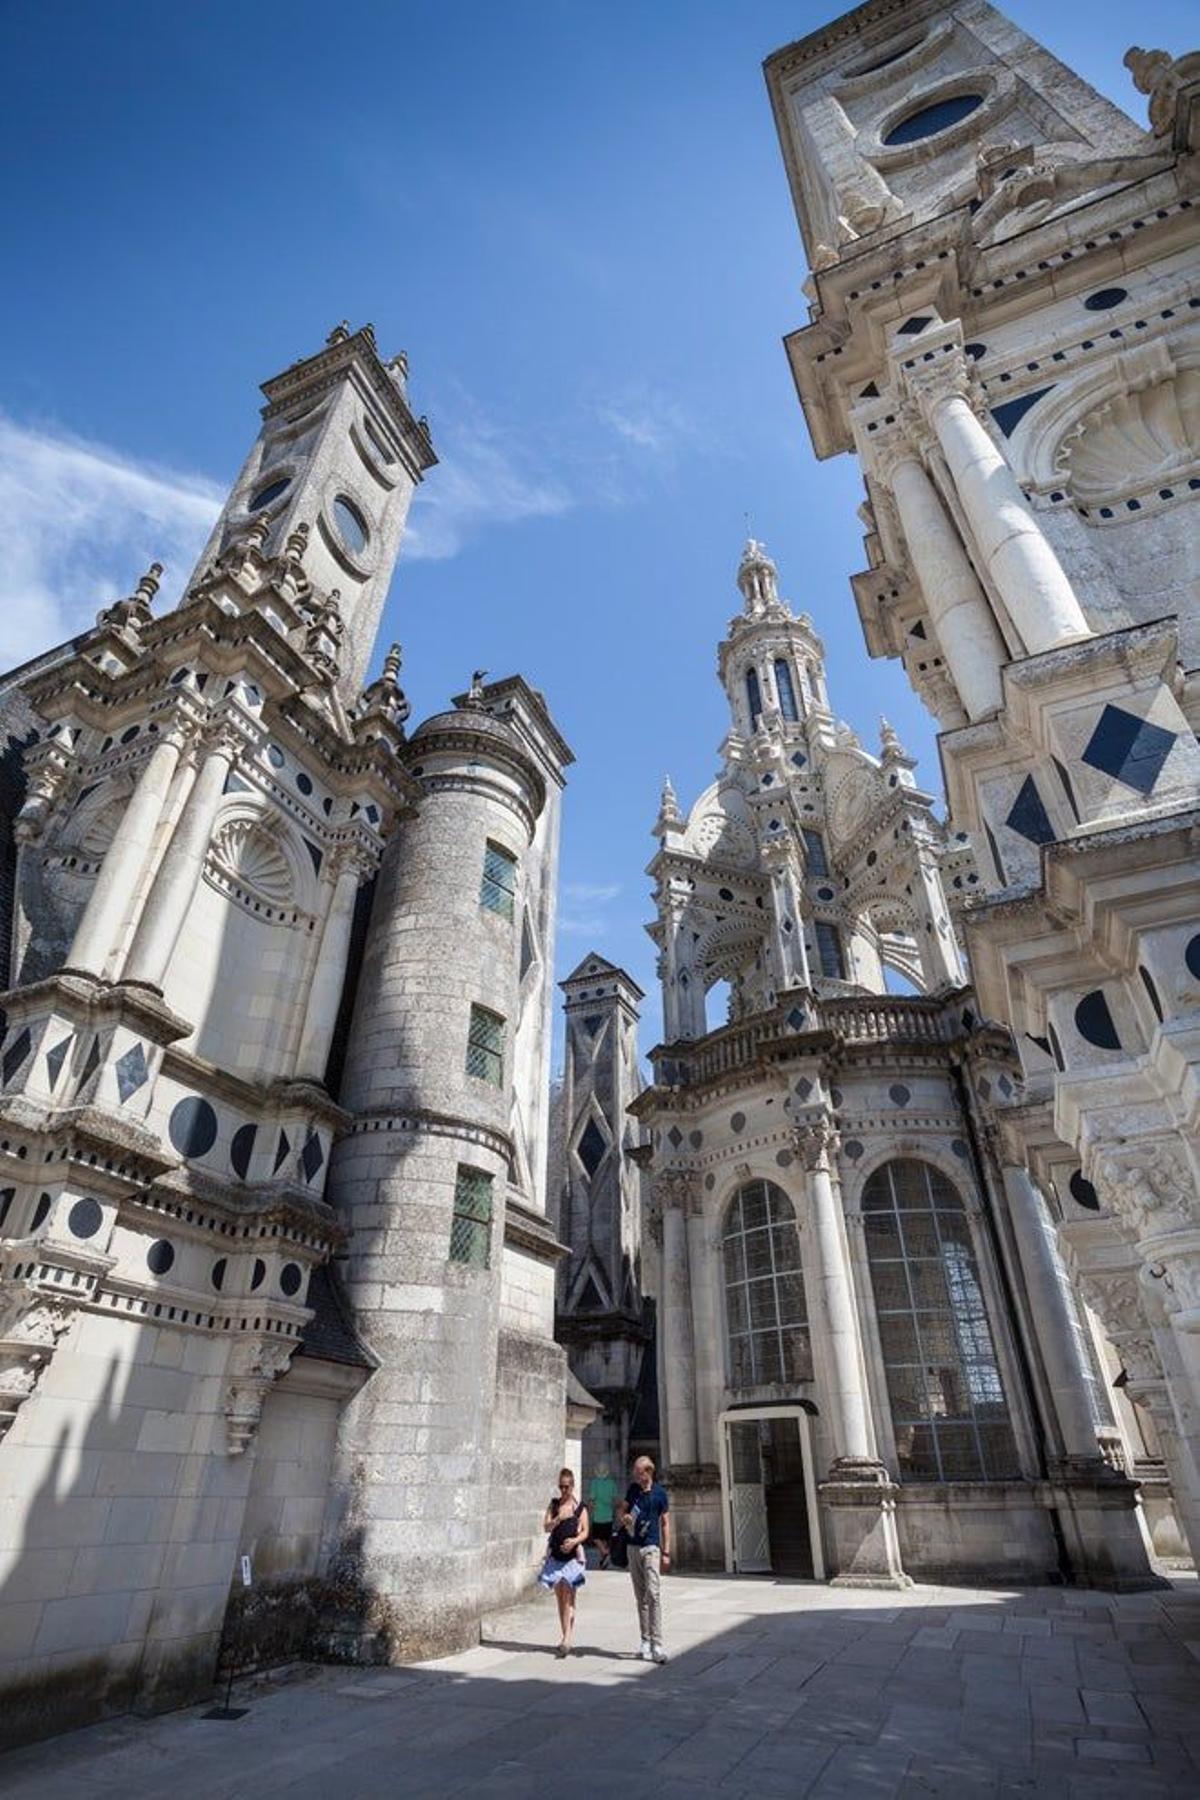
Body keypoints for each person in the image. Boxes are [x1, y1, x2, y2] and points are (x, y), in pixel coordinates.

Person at [539, 1467, 589, 1657]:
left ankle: (567, 1638)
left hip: (572, 1558)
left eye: (566, 1487)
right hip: (555, 1556)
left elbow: (585, 1531)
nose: (563, 1490)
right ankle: (565, 1635)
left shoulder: (580, 1507)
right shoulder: (553, 1504)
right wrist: (559, 1517)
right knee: (561, 1598)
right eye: (561, 1487)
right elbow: (546, 1527)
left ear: (573, 1485)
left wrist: (575, 1541)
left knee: (568, 1596)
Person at [625, 1455, 670, 1663]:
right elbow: (623, 1510)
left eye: (638, 1471)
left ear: (648, 1472)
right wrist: (623, 1517)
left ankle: (657, 1643)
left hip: (651, 1547)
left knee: (654, 1594)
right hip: (633, 1546)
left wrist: (666, 1551)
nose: (635, 1474)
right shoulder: (633, 1490)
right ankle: (645, 1641)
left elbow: (665, 1523)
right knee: (640, 1597)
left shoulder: (660, 1493)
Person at [586, 1463, 618, 1568]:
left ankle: (605, 1553)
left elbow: (591, 1500)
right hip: (608, 1515)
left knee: (595, 1538)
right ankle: (603, 1561)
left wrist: (590, 1511)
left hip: (598, 1515)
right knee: (604, 1540)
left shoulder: (595, 1483)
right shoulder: (612, 1483)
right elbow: (615, 1500)